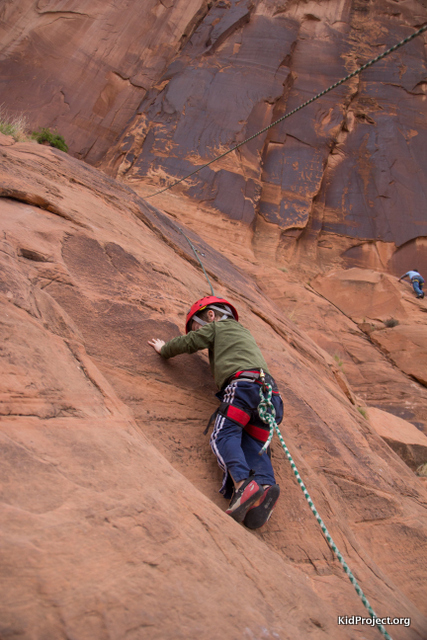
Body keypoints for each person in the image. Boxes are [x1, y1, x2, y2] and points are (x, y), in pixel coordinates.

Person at [148, 295, 283, 529]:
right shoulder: (244, 333)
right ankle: (264, 488)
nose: (197, 331)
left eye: (197, 326)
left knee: (223, 435)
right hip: (270, 396)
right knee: (254, 444)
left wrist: (165, 349)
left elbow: (191, 342)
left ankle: (243, 485)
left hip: (243, 388)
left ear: (211, 315)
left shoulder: (218, 327)